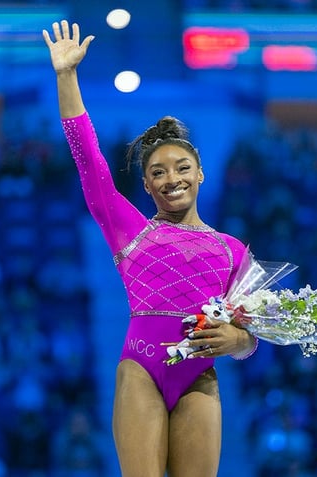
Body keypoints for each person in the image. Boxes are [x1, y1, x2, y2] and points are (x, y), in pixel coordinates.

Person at [43, 20, 258, 477]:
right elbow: (88, 159)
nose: (171, 178)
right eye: (157, 172)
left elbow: (249, 338)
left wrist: (238, 340)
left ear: (201, 174)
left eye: (182, 167)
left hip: (199, 378)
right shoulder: (130, 231)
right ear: (145, 184)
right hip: (140, 370)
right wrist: (67, 76)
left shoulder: (232, 250)